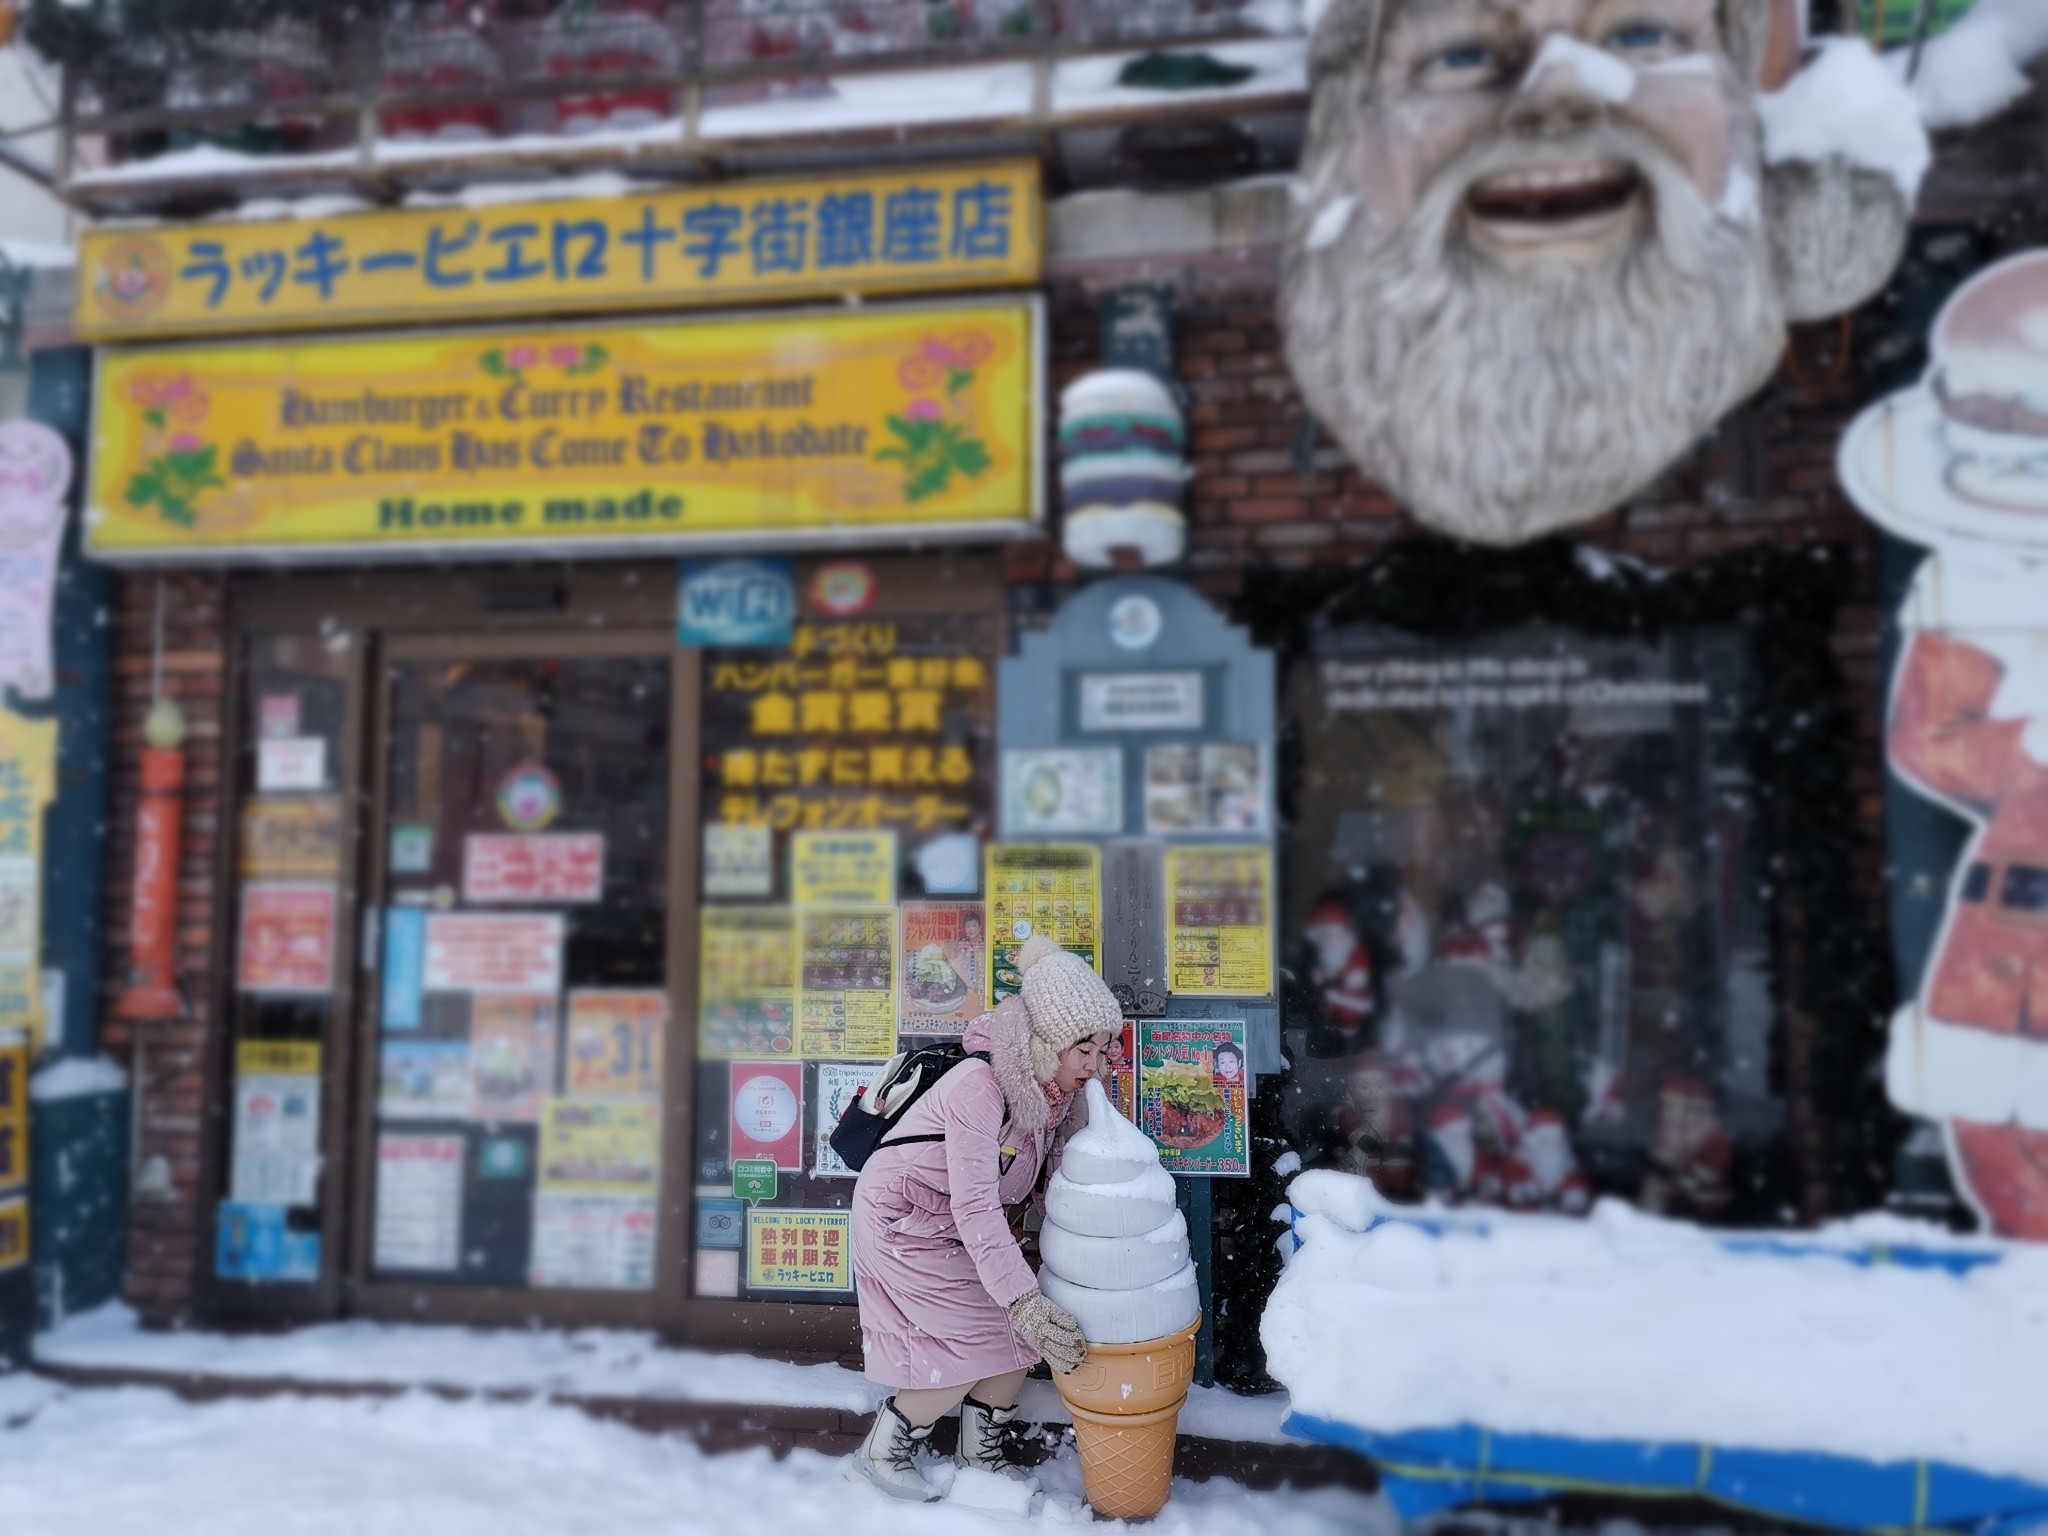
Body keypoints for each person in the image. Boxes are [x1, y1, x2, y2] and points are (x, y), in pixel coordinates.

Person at [846, 934, 1122, 1500]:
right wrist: (1023, 1298)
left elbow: (1047, 1185)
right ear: (1047, 1042)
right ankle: (880, 1452)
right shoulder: (979, 1084)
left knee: (1019, 1342)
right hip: (902, 1223)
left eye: (1103, 1050)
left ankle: (979, 1455)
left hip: (952, 1229)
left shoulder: (1052, 1095)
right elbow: (974, 1203)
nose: (1094, 1067)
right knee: (975, 1345)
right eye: (1083, 1050)